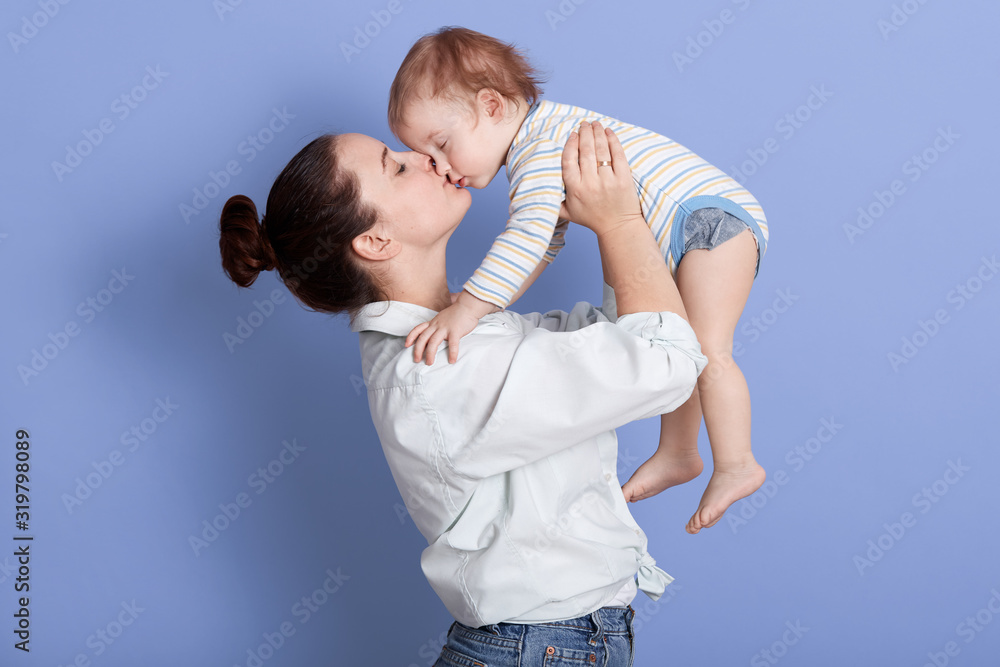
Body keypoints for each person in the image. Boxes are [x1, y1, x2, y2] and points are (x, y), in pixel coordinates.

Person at [218, 121, 706, 665]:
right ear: (376, 241)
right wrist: (620, 221)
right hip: (540, 648)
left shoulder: (457, 334)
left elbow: (609, 339)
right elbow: (665, 363)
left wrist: (585, 222)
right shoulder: (436, 369)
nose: (423, 155)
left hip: (548, 644)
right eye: (396, 166)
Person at [387, 26, 769, 534]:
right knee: (686, 344)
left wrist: (471, 307)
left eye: (441, 144)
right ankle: (679, 451)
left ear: (492, 107)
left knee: (709, 349)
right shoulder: (541, 139)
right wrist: (484, 304)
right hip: (692, 227)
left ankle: (738, 462)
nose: (439, 166)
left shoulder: (538, 148)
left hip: (706, 223)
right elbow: (543, 242)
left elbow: (525, 236)